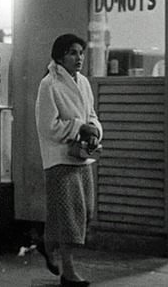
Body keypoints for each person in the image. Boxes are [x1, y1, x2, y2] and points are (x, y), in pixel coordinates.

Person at [35, 33, 102, 287]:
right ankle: (69, 272)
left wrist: (93, 129)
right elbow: (48, 126)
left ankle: (47, 243)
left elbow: (91, 114)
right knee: (70, 217)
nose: (79, 58)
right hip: (59, 159)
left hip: (81, 157)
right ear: (60, 56)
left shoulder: (82, 82)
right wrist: (78, 127)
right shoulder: (49, 84)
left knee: (84, 211)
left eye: (81, 53)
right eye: (73, 53)